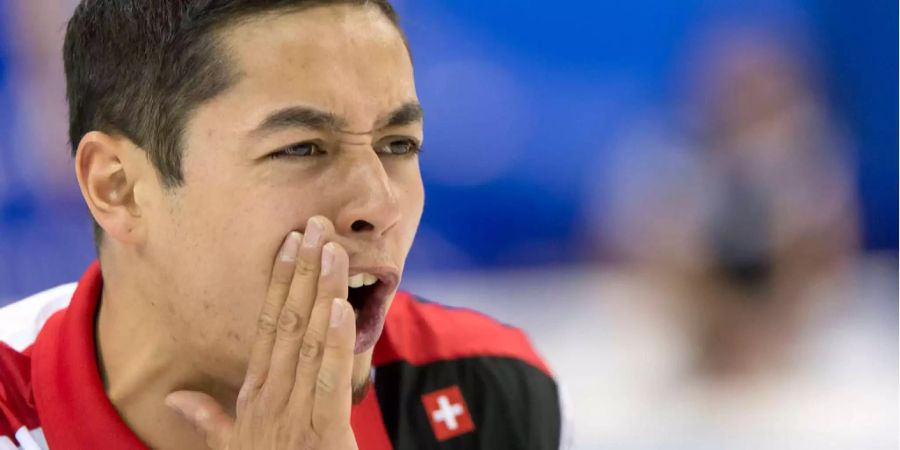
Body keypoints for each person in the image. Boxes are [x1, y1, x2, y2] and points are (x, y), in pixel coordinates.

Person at [0, 1, 563, 449]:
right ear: (117, 187)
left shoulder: (481, 383)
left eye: (399, 144)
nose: (379, 204)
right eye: (301, 148)